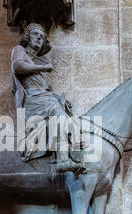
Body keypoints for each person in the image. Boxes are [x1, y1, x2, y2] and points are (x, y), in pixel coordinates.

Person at [11, 23, 84, 173]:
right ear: (27, 37)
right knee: (59, 115)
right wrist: (43, 67)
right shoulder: (20, 50)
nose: (39, 37)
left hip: (43, 98)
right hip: (34, 100)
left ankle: (74, 153)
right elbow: (17, 66)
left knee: (67, 115)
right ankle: (63, 160)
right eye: (35, 34)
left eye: (42, 37)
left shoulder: (34, 60)